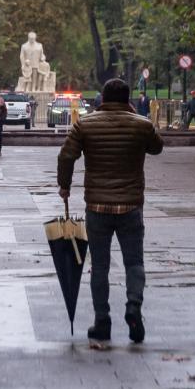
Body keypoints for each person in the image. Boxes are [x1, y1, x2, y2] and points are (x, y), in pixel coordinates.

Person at [57, 78, 164, 345]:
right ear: (128, 99)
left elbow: (66, 156)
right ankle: (133, 307)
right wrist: (135, 117)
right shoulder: (142, 125)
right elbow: (157, 147)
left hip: (97, 206)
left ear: (102, 98)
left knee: (100, 266)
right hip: (131, 206)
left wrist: (65, 186)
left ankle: (102, 321)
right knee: (134, 262)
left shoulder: (85, 124)